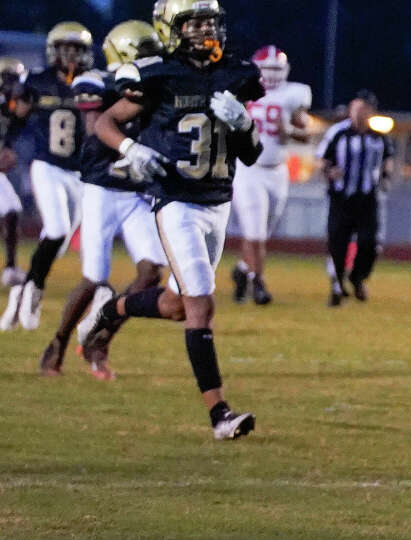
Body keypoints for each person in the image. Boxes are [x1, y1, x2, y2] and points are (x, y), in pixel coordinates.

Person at [87, 0, 263, 439]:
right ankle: (220, 415)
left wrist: (244, 126)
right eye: (195, 22)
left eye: (211, 22)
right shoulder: (157, 74)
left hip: (218, 202)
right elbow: (104, 123)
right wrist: (131, 149)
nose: (206, 30)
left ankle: (112, 309)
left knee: (174, 305)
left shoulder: (236, 73)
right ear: (171, 29)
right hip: (177, 201)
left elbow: (253, 154)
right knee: (201, 305)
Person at [38, 20, 168, 379]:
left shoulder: (157, 86)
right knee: (94, 276)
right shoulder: (95, 82)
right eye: (146, 51)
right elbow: (98, 127)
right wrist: (131, 151)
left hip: (136, 192)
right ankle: (58, 343)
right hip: (101, 188)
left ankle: (101, 337)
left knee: (150, 272)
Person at [0, 22, 92, 331]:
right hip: (47, 166)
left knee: (60, 243)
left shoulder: (92, 83)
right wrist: (8, 146)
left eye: (76, 51)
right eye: (65, 50)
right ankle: (33, 293)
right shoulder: (37, 82)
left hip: (78, 172)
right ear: (54, 52)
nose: (70, 58)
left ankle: (20, 290)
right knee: (55, 229)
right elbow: (16, 115)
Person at [230, 45, 312, 305]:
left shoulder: (293, 94)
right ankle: (259, 284)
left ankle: (243, 271)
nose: (273, 75)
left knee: (263, 234)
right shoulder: (242, 91)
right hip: (248, 170)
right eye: (268, 69)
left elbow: (305, 134)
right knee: (254, 233)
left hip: (277, 171)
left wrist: (287, 129)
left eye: (277, 69)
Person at [315, 89, 393, 306]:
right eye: (355, 108)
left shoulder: (379, 136)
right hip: (341, 198)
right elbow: (322, 160)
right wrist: (329, 172)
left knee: (370, 243)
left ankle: (357, 277)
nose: (358, 113)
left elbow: (387, 160)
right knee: (337, 242)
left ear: (371, 112)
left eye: (363, 109)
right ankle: (337, 284)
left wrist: (386, 177)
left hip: (368, 198)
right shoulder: (338, 133)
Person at [0, 56, 27, 287]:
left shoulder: (12, 108)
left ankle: (10, 268)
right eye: (9, 78)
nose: (14, 84)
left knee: (12, 211)